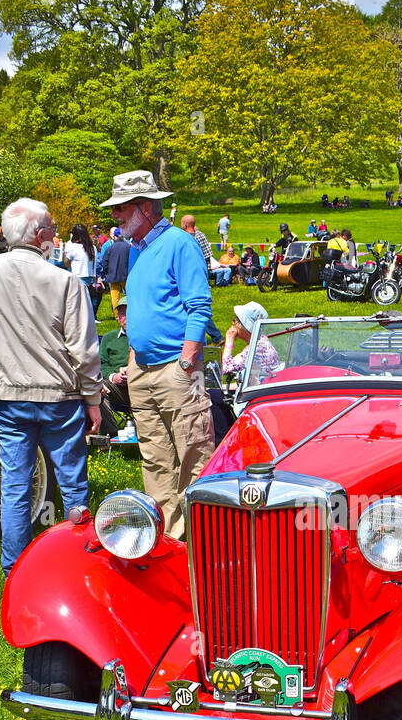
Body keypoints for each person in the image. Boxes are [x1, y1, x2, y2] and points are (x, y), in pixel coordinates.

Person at [0, 197, 101, 575]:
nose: (55, 235)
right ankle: (82, 561)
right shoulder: (64, 280)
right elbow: (84, 349)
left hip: (6, 396)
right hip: (59, 396)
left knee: (14, 483)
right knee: (73, 483)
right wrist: (93, 397)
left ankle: (16, 571)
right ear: (42, 235)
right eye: (53, 229)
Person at [99, 169, 215, 540]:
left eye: (121, 209)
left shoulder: (181, 243)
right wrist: (134, 359)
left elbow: (199, 307)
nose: (115, 217)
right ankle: (169, 540)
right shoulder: (139, 251)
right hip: (143, 371)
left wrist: (185, 362)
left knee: (193, 456)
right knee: (155, 458)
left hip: (175, 371)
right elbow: (138, 309)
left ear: (144, 207)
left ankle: (206, 540)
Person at [179, 215, 222, 343]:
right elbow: (208, 258)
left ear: (185, 225)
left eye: (181, 223)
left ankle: (216, 336)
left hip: (192, 278)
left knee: (196, 308)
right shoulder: (201, 235)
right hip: (203, 276)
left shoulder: (186, 239)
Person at [222, 302, 281, 384]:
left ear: (242, 325)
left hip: (257, 392)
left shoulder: (252, 350)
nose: (233, 323)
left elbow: (225, 368)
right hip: (260, 386)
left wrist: (229, 340)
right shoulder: (263, 341)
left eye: (235, 320)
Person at [99, 294, 132, 419]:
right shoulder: (109, 338)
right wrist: (114, 377)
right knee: (97, 387)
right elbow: (101, 365)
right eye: (122, 313)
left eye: (130, 312)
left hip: (144, 386)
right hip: (118, 389)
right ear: (117, 317)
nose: (126, 318)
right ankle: (110, 435)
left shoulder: (148, 336)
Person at [65, 224, 102, 315]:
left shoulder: (72, 247)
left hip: (77, 277)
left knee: (76, 304)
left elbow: (66, 263)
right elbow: (95, 263)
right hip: (90, 278)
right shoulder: (92, 247)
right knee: (87, 303)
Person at [96, 226, 131, 319]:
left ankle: (117, 316)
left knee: (114, 297)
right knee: (128, 296)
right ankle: (129, 313)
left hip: (113, 276)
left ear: (114, 237)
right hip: (125, 276)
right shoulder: (128, 247)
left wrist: (106, 272)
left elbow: (104, 262)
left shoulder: (110, 248)